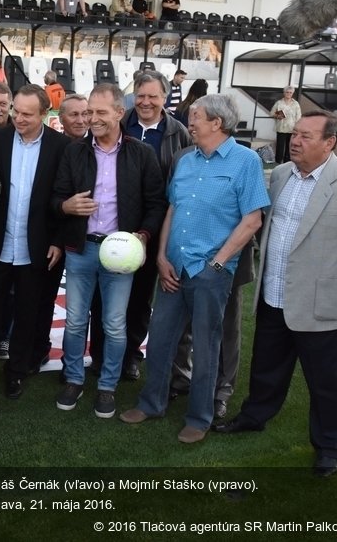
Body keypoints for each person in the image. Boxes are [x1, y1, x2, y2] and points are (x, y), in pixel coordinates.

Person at [212, 111, 337, 477]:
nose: (295, 141)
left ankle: (330, 445)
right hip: (274, 293)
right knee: (266, 366)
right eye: (294, 134)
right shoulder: (280, 174)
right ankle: (255, 416)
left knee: (327, 382)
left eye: (306, 136)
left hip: (322, 304)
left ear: (330, 143)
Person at [119, 94, 270, 444]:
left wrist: (218, 262)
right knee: (159, 340)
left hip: (211, 273)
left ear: (217, 123)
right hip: (173, 268)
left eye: (197, 116)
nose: (191, 121)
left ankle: (199, 417)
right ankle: (151, 402)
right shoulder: (185, 160)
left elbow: (252, 220)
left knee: (206, 346)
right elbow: (172, 209)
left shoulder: (245, 161)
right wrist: (160, 257)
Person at [52, 82, 166, 417]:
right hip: (81, 249)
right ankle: (73, 378)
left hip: (121, 254)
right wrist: (66, 206)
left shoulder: (142, 154)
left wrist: (143, 237)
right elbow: (55, 198)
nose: (93, 118)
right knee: (74, 321)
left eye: (101, 112)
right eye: (89, 111)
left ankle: (107, 386)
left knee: (115, 323)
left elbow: (156, 204)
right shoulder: (74, 151)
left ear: (119, 112)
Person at [89, 71, 192, 383]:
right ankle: (100, 356)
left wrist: (151, 231)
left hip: (151, 229)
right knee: (100, 298)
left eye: (153, 96)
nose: (146, 102)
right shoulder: (121, 122)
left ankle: (130, 355)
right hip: (111, 231)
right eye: (141, 95)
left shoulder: (178, 133)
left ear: (164, 98)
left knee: (139, 299)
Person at [0, 84, 68, 400]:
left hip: (36, 247)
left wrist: (57, 239)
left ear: (45, 114)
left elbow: (61, 197)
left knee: (28, 314)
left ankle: (17, 372)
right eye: (16, 111)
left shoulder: (61, 146)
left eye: (27, 114)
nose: (19, 118)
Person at [271, 86, 301, 163]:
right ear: (284, 93)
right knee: (280, 147)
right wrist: (277, 116)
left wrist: (297, 128)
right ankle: (277, 162)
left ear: (292, 93)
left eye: (290, 92)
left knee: (289, 147)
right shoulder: (279, 103)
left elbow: (298, 117)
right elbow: (272, 113)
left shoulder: (296, 104)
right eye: (287, 92)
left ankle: (287, 162)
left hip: (292, 128)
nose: (288, 94)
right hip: (281, 128)